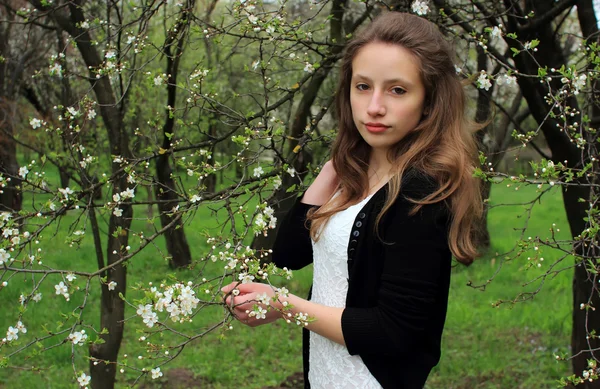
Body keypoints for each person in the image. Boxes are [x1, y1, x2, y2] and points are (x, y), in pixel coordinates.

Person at [222, 11, 482, 389]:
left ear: (429, 102)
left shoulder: (421, 192)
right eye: (363, 86)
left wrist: (283, 305)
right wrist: (332, 169)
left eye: (397, 90)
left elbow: (394, 332)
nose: (374, 106)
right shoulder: (353, 173)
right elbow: (290, 253)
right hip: (325, 373)